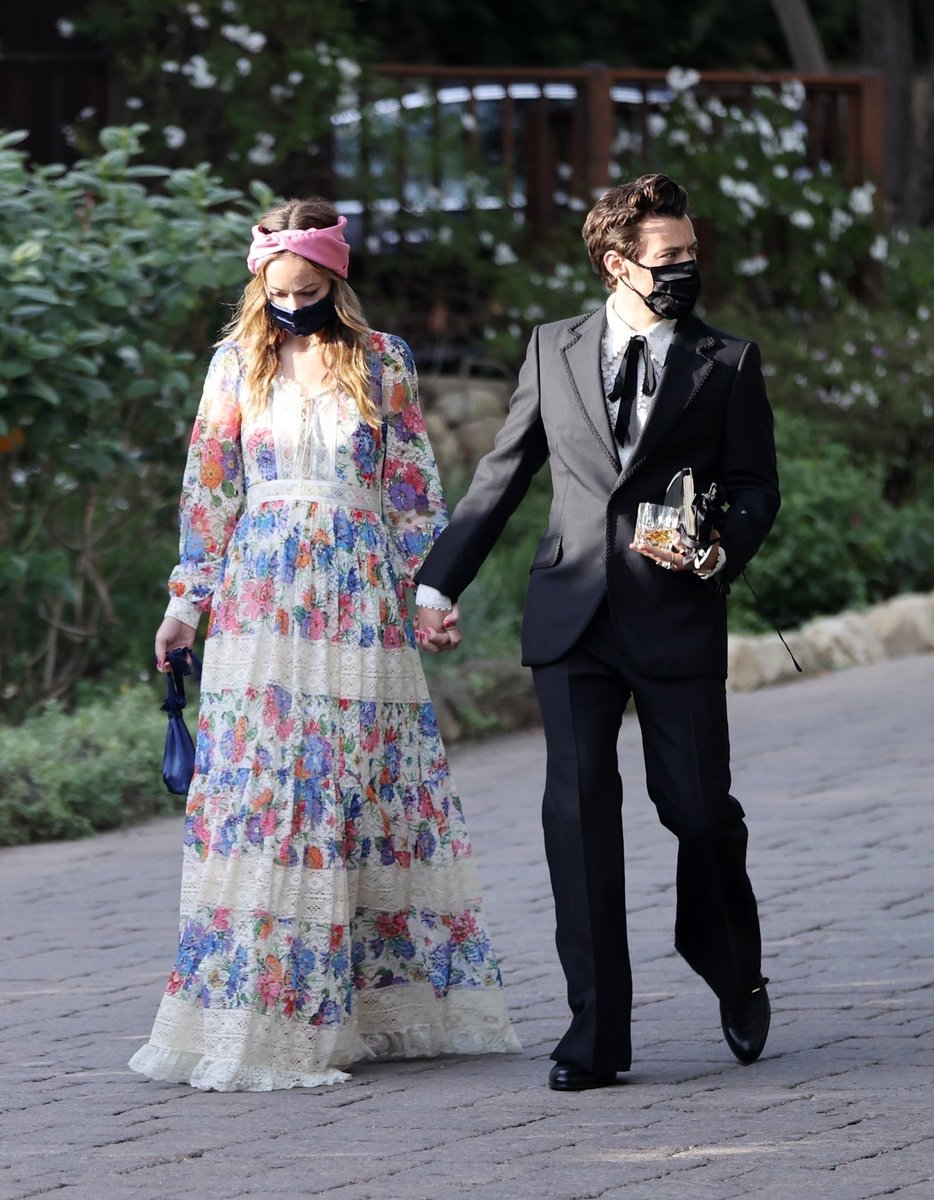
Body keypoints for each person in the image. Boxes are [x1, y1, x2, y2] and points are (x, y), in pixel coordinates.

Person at [129, 197, 520, 1092]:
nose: (293, 306)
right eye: (279, 292)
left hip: (358, 597)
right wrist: (185, 605)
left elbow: (413, 488)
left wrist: (431, 591)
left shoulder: (384, 361)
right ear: (259, 285)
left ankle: (376, 1008)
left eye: (308, 292)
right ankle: (267, 1009)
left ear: (335, 283)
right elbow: (209, 492)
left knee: (355, 786)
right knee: (273, 795)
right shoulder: (235, 364)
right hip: (261, 598)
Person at [414, 173, 780, 1090]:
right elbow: (502, 474)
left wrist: (720, 546)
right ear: (618, 262)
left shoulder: (728, 361)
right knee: (577, 821)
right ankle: (595, 1035)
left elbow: (756, 486)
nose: (688, 267)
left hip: (676, 612)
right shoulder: (553, 347)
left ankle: (731, 963)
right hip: (571, 614)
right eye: (670, 256)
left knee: (699, 811)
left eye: (692, 253)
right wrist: (437, 582)